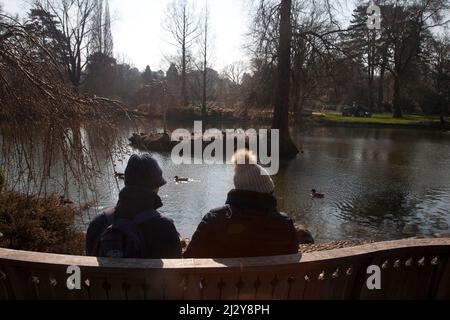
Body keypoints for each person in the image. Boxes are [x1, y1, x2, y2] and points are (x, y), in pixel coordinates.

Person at [184, 149, 299, 258]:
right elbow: (293, 256)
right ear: (268, 192)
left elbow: (191, 257)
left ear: (238, 188)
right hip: (274, 279)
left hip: (224, 279)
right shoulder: (285, 224)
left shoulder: (214, 219)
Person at [85, 153, 182, 259]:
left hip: (105, 276)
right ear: (155, 187)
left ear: (127, 182)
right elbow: (176, 271)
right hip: (146, 276)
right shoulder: (165, 227)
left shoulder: (99, 222)